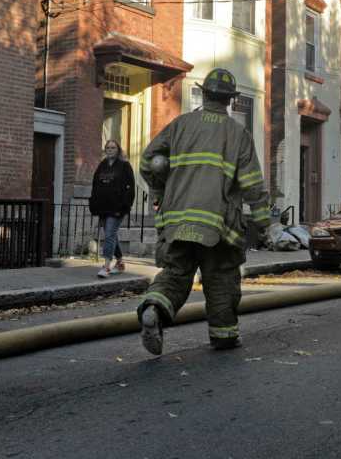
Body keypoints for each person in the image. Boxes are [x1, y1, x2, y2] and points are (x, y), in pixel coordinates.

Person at [136, 68, 269, 355]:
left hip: (177, 222)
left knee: (175, 274)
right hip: (218, 228)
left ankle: (154, 310)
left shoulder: (180, 125)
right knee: (221, 281)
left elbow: (148, 162)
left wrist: (161, 191)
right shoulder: (237, 133)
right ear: (230, 101)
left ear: (204, 94)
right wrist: (265, 222)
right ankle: (224, 336)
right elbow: (252, 185)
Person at [88, 139, 135, 278]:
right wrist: (94, 204)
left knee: (109, 234)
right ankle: (120, 263)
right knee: (111, 235)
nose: (110, 150)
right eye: (108, 148)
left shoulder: (124, 166)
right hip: (103, 207)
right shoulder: (102, 165)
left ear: (118, 150)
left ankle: (106, 266)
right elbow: (95, 185)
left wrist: (125, 205)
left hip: (117, 208)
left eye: (113, 148)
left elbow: (130, 188)